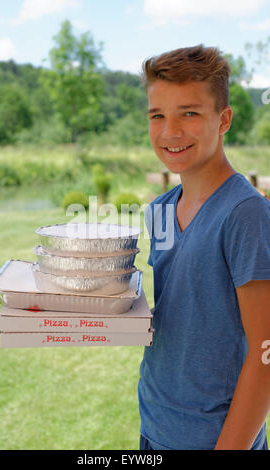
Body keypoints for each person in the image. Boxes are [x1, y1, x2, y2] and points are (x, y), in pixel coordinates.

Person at [138, 44, 270, 450]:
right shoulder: (159, 211)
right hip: (154, 426)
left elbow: (266, 354)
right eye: (158, 115)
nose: (170, 132)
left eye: (189, 114)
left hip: (215, 438)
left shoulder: (246, 213)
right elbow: (180, 310)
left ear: (224, 119)